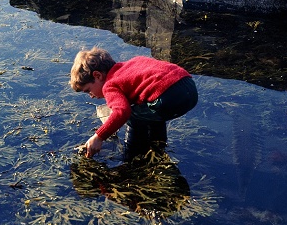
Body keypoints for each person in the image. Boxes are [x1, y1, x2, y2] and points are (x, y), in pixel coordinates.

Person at [69, 47, 198, 160]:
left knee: (131, 114)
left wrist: (99, 137)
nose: (91, 96)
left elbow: (122, 112)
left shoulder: (109, 85)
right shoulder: (132, 63)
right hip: (188, 86)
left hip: (169, 97)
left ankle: (132, 154)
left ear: (97, 76)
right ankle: (158, 144)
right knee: (146, 111)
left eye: (88, 91)